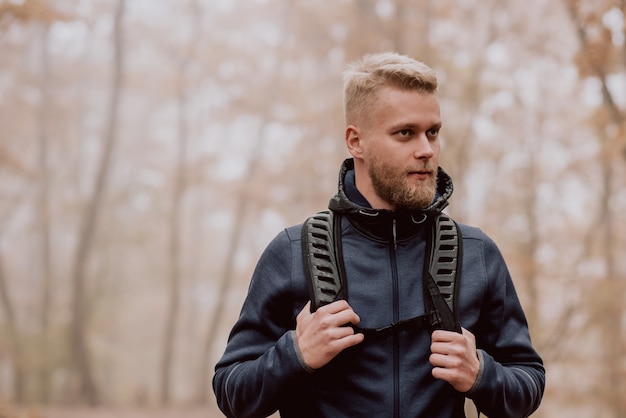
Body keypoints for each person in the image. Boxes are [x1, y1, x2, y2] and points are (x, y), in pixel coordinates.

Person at [213, 52, 545, 418]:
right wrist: (294, 354)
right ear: (356, 141)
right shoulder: (293, 251)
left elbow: (528, 381)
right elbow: (232, 393)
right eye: (405, 133)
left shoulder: (476, 252)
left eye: (433, 132)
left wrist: (482, 375)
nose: (426, 150)